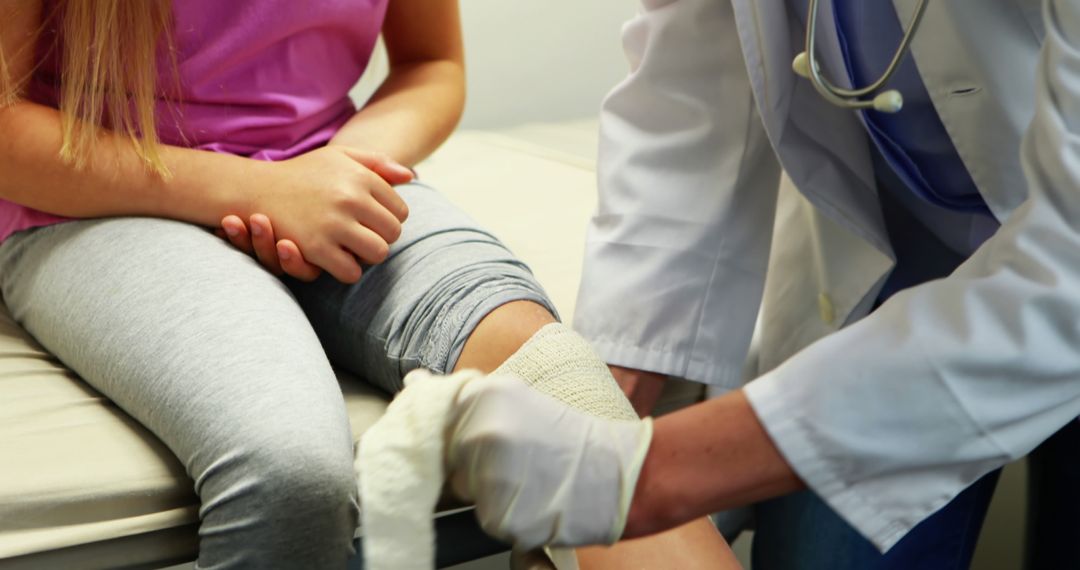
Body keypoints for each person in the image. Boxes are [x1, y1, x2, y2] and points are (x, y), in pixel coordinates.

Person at [0, 0, 736, 567]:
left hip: (329, 169)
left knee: (566, 394)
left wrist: (341, 173)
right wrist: (264, 189)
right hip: (98, 200)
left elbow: (432, 65)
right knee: (291, 476)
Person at [437, 0, 1080, 568]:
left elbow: (1065, 284)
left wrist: (643, 475)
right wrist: (614, 376)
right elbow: (694, 77)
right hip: (898, 237)